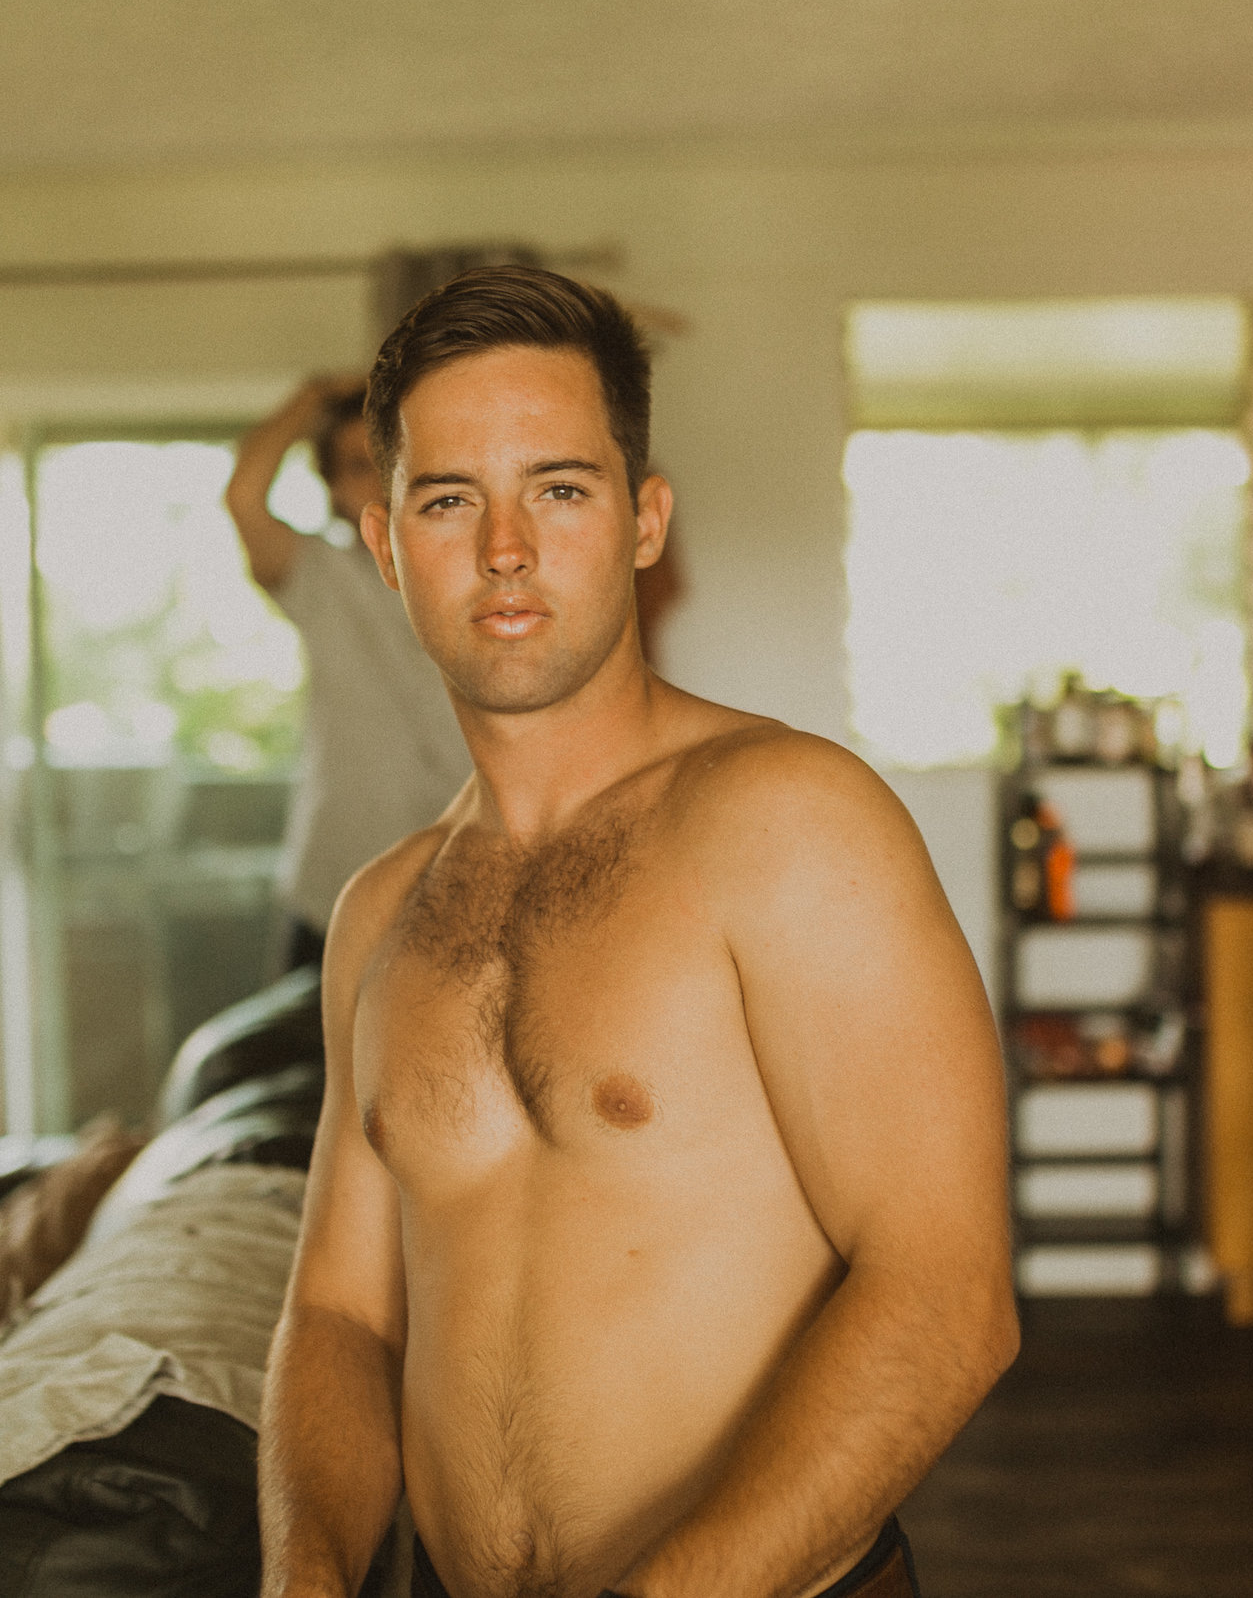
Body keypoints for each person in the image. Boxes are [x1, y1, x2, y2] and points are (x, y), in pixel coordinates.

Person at [256, 268, 1019, 1598]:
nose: (505, 547)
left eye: (558, 487)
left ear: (644, 519)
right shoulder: (379, 912)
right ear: (385, 544)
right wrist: (305, 1576)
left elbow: (946, 1295)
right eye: (449, 499)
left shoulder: (788, 820)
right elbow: (340, 1310)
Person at [225, 376, 475, 971]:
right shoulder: (318, 574)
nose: (384, 482)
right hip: (335, 886)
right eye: (362, 466)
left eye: (395, 462)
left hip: (466, 885)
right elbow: (243, 497)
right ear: (334, 488)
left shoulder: (487, 570)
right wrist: (316, 393)